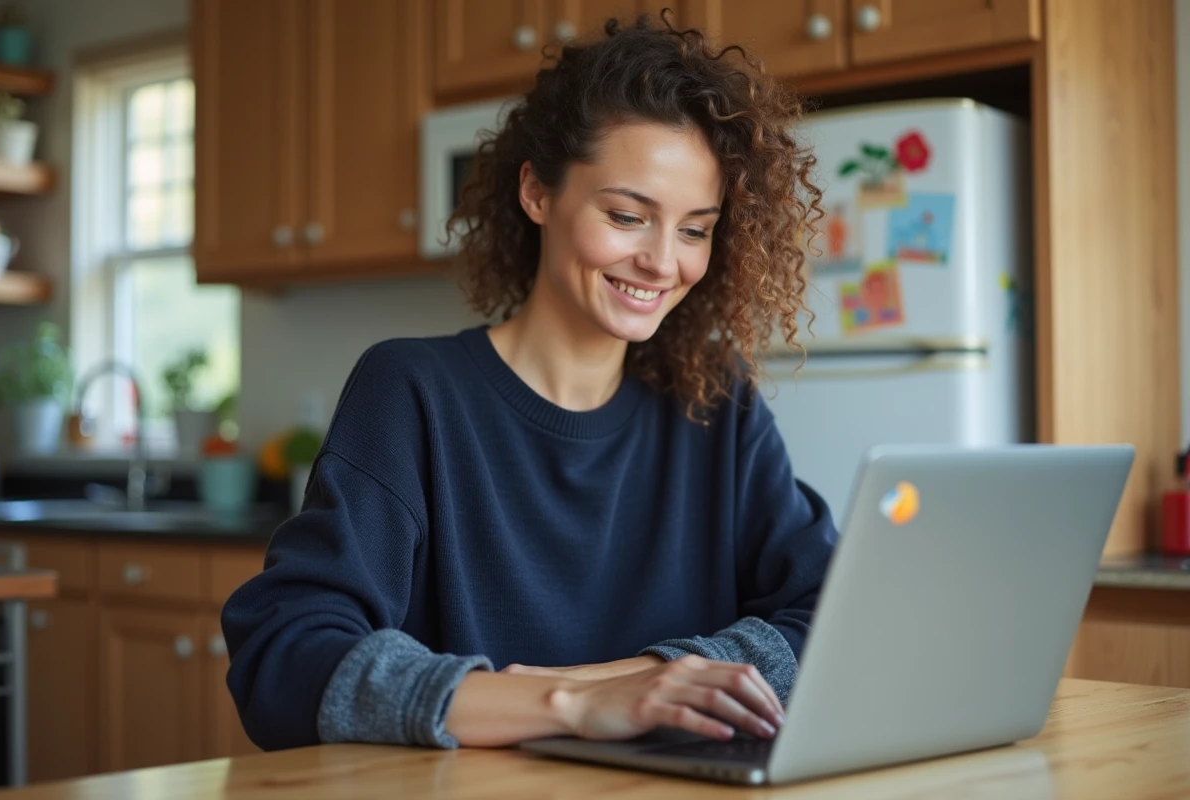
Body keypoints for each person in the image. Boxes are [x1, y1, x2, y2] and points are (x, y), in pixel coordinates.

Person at [221, 11, 837, 752]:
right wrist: (570, 703)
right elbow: (285, 662)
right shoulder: (413, 392)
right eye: (626, 215)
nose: (662, 261)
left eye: (695, 229)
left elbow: (830, 612)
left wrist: (648, 677)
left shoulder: (716, 402)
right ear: (538, 192)